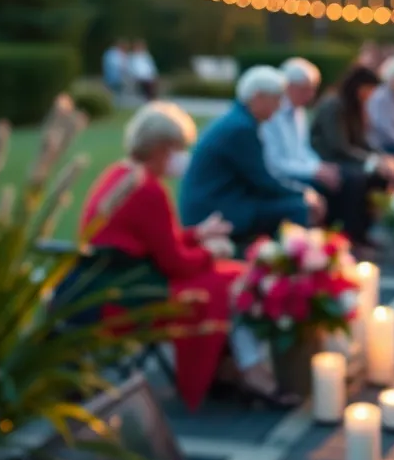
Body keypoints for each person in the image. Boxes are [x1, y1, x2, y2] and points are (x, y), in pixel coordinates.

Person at [54, 102, 298, 410]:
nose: (182, 158)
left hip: (106, 288)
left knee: (231, 277)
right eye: (177, 149)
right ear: (158, 148)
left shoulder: (119, 174)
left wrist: (198, 235)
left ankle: (236, 371)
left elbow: (153, 241)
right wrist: (210, 253)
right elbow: (176, 264)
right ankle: (249, 374)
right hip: (128, 298)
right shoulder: (148, 189)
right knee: (236, 281)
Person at [179, 66, 325, 241]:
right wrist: (304, 193)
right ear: (258, 97)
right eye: (276, 99)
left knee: (294, 203)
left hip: (219, 201)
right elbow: (262, 181)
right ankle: (288, 260)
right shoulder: (241, 129)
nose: (279, 107)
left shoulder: (239, 120)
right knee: (298, 207)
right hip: (213, 210)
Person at [261, 58, 379, 249]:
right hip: (286, 174)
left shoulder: (297, 112)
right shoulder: (274, 113)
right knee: (346, 181)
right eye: (306, 89)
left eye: (313, 89)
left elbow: (303, 149)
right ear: (289, 87)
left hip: (304, 167)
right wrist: (315, 171)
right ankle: (336, 241)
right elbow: (278, 162)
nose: (311, 95)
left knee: (346, 177)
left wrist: (320, 167)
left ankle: (346, 239)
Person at [310, 64, 394, 184]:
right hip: (330, 158)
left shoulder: (355, 106)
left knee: (387, 167)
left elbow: (362, 141)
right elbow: (339, 147)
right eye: (369, 90)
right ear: (358, 88)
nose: (370, 95)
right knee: (364, 175)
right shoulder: (334, 106)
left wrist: (383, 157)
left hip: (348, 157)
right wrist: (374, 161)